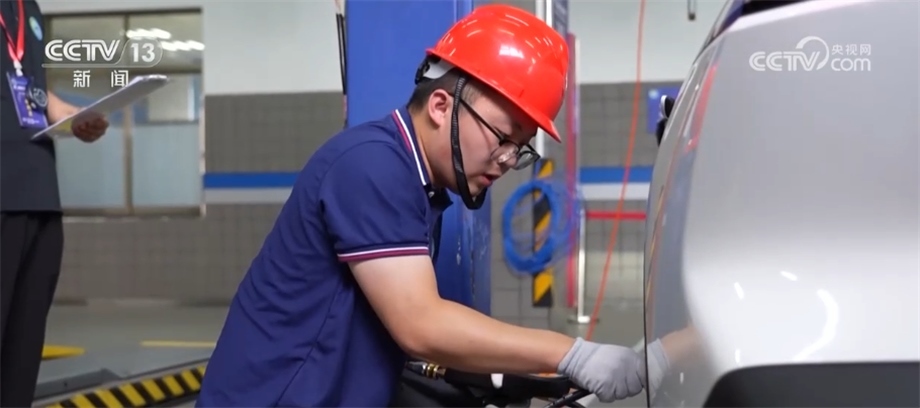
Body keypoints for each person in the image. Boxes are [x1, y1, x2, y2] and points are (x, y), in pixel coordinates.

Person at [197, 5, 646, 407]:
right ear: (440, 106)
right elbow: (421, 324)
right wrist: (569, 353)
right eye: (504, 137)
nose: (509, 159)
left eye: (521, 147)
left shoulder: (420, 185)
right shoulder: (372, 165)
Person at [0, 0, 109, 406]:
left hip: (40, 195)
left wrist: (71, 115)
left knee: (22, 353)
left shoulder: (28, 7)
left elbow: (28, 87)